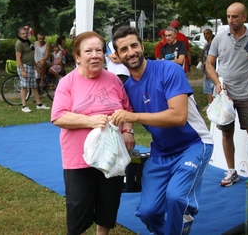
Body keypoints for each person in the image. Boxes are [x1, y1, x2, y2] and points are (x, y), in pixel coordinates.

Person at [110, 26, 213, 235]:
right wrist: (127, 130)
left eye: (134, 45)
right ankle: (174, 228)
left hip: (193, 144)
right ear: (118, 56)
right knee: (148, 212)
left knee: (175, 197)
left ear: (142, 46)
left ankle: (179, 224)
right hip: (161, 151)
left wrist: (133, 118)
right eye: (124, 49)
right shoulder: (127, 87)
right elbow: (125, 113)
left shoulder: (168, 70)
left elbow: (178, 116)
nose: (131, 52)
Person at [51, 31, 135, 235]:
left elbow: (127, 109)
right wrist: (89, 121)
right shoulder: (67, 83)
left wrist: (128, 131)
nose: (95, 55)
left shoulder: (114, 80)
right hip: (78, 158)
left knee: (109, 202)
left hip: (111, 154)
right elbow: (58, 116)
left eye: (99, 50)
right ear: (78, 56)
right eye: (88, 51)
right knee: (78, 205)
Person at [206, 2, 248, 186]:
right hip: (225, 97)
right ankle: (231, 171)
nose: (231, 20)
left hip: (247, 95)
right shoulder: (219, 38)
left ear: (244, 17)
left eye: (235, 16)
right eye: (228, 16)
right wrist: (217, 83)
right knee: (226, 134)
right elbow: (209, 63)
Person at [15, 27, 50, 113]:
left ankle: (39, 104)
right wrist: (23, 70)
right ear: (19, 34)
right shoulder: (19, 43)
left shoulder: (27, 42)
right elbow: (18, 58)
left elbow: (31, 55)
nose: (25, 35)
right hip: (24, 66)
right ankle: (24, 106)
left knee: (34, 86)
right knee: (24, 87)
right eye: (23, 33)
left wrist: (36, 67)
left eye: (26, 33)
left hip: (30, 66)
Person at [200, 29, 215, 112]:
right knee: (208, 86)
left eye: (207, 33)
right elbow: (203, 56)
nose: (206, 35)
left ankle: (211, 104)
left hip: (211, 69)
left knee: (209, 87)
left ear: (211, 34)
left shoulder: (213, 44)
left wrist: (210, 70)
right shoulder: (206, 44)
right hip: (207, 69)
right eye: (204, 34)